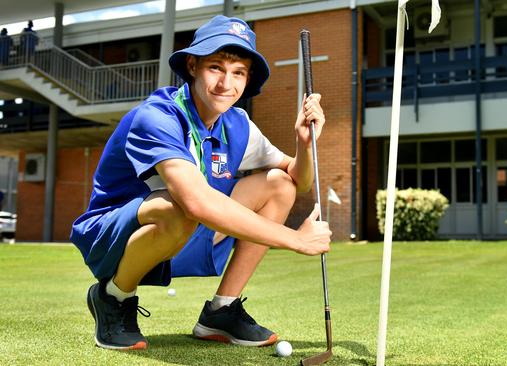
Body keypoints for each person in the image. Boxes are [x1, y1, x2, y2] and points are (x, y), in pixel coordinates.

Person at [70, 15, 331, 351]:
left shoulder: (238, 124)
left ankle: (221, 311)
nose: (227, 83)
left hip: (186, 231)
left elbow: (299, 181)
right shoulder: (157, 116)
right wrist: (297, 240)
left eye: (238, 72)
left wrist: (304, 144)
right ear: (192, 66)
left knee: (280, 183)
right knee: (176, 206)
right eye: (216, 68)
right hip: (112, 239)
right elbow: (195, 203)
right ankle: (113, 297)